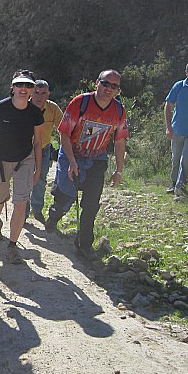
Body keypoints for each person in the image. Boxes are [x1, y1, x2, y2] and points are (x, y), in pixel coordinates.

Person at [45, 69, 128, 258]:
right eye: (105, 83)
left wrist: (119, 170)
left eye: (114, 86)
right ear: (96, 83)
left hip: (97, 160)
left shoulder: (119, 111)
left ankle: (84, 245)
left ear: (117, 90)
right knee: (66, 198)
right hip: (71, 154)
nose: (109, 88)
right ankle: (54, 215)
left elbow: (120, 141)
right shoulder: (80, 103)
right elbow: (64, 133)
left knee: (91, 205)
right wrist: (72, 161)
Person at [0, 70, 44, 264]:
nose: (23, 89)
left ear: (32, 90)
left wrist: (38, 167)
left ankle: (12, 246)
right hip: (1, 159)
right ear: (12, 87)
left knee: (21, 202)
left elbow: (37, 142)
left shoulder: (35, 113)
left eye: (28, 86)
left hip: (24, 160)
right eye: (20, 85)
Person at [27, 80, 63, 222]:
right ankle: (22, 215)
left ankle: (37, 209)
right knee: (24, 181)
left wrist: (65, 147)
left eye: (43, 93)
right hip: (25, 149)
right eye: (36, 93)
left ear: (48, 94)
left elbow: (63, 128)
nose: (39, 97)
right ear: (31, 93)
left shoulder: (52, 108)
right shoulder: (24, 106)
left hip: (44, 149)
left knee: (40, 180)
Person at [165, 60, 188, 199]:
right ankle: (173, 183)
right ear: (186, 73)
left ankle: (179, 188)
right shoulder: (179, 86)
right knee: (175, 159)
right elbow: (168, 105)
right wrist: (168, 127)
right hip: (177, 129)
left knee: (186, 160)